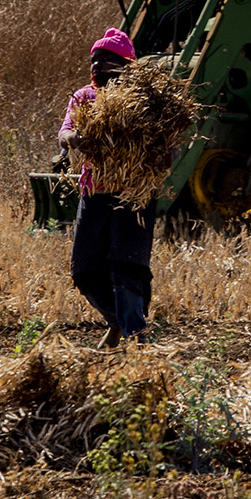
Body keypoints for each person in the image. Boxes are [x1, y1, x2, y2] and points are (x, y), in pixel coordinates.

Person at [57, 28, 157, 348]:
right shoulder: (84, 97)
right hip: (95, 191)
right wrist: (73, 139)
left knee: (126, 265)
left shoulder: (143, 99)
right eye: (95, 60)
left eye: (107, 60)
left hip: (134, 192)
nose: (98, 66)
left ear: (127, 64)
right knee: (84, 269)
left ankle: (136, 337)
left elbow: (167, 140)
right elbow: (65, 132)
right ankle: (116, 322)